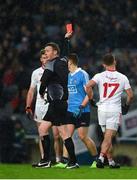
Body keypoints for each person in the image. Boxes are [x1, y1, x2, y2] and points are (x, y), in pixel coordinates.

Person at [86, 54, 134, 168]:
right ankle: (101, 158)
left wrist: (91, 99)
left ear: (103, 64)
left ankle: (111, 162)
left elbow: (88, 86)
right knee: (108, 138)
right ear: (115, 62)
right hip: (114, 110)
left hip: (102, 110)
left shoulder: (99, 75)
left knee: (106, 138)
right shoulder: (123, 77)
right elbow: (130, 95)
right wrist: (126, 106)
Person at [39, 32, 78, 169]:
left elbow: (43, 82)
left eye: (48, 51)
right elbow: (67, 52)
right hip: (57, 103)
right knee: (43, 128)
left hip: (56, 103)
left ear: (55, 52)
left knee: (63, 133)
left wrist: (40, 92)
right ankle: (45, 160)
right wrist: (66, 39)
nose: (46, 53)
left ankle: (72, 161)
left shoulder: (50, 64)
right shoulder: (63, 61)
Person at [54, 53, 98, 168]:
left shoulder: (82, 74)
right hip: (70, 110)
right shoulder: (68, 76)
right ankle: (65, 161)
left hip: (82, 110)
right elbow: (68, 93)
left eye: (66, 62)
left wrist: (81, 107)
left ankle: (96, 159)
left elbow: (89, 93)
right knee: (67, 136)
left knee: (83, 136)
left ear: (70, 62)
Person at [25, 49, 62, 167]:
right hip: (40, 106)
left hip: (53, 104)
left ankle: (58, 160)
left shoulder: (54, 70)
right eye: (44, 57)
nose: (46, 59)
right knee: (42, 134)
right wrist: (28, 105)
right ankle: (44, 160)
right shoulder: (36, 73)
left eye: (47, 57)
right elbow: (31, 91)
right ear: (41, 59)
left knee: (57, 135)